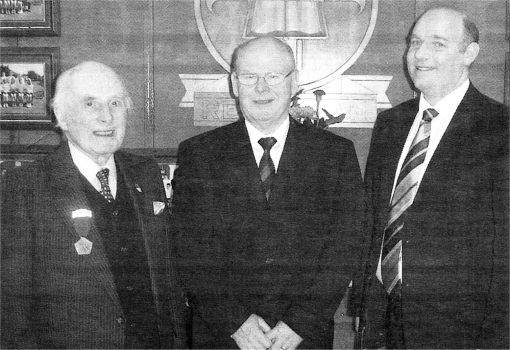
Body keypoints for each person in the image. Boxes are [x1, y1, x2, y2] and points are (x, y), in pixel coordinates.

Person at [171, 37, 364, 349]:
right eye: (249, 77)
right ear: (234, 84)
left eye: (274, 76)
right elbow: (188, 249)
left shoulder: (334, 154)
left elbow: (345, 247)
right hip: (223, 337)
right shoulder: (199, 154)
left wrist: (299, 324)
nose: (261, 88)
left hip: (304, 338)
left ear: (295, 82)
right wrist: (234, 322)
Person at [1, 61, 188, 349]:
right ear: (62, 116)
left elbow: (167, 278)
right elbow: (10, 308)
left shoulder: (146, 173)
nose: (107, 117)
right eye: (90, 104)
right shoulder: (25, 188)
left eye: (115, 103)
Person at [356, 7, 509, 349]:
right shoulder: (390, 124)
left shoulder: (500, 129)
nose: (420, 55)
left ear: (469, 53)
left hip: (458, 329)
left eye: (438, 44)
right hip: (382, 320)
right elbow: (373, 222)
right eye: (415, 43)